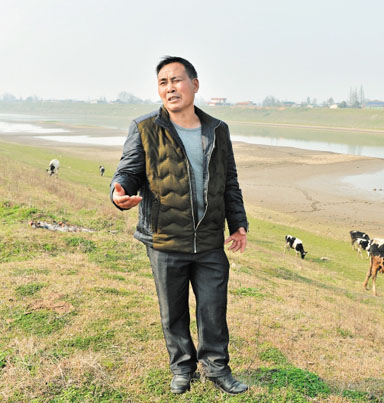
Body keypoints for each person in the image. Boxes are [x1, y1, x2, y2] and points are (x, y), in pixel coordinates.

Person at [110, 56, 249, 395]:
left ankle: (217, 368)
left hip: (209, 239)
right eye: (163, 82)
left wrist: (238, 223)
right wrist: (118, 191)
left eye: (176, 80)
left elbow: (229, 180)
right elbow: (128, 171)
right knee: (173, 312)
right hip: (165, 238)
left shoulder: (218, 129)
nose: (170, 88)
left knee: (213, 308)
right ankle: (182, 369)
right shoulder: (145, 127)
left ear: (195, 84)